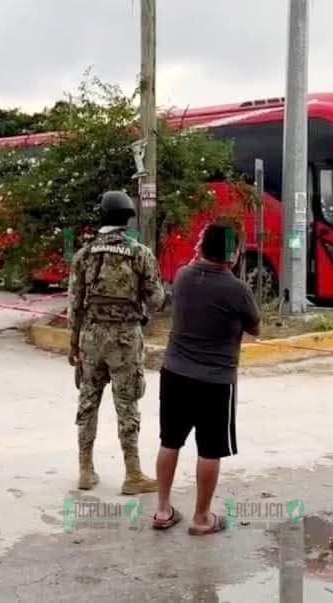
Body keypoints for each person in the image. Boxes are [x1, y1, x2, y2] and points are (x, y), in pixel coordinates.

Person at [152, 221, 261, 534]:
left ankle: (162, 510)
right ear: (234, 253)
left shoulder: (184, 276)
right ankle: (201, 518)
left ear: (202, 247)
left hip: (174, 373)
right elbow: (256, 327)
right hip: (216, 381)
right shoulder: (238, 290)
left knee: (169, 441)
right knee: (210, 450)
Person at [68, 191, 165, 494]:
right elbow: (156, 299)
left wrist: (74, 344)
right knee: (127, 404)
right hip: (124, 338)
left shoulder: (83, 254)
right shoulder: (140, 253)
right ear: (127, 218)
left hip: (90, 336)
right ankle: (133, 474)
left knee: (88, 402)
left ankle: (85, 470)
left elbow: (74, 304)